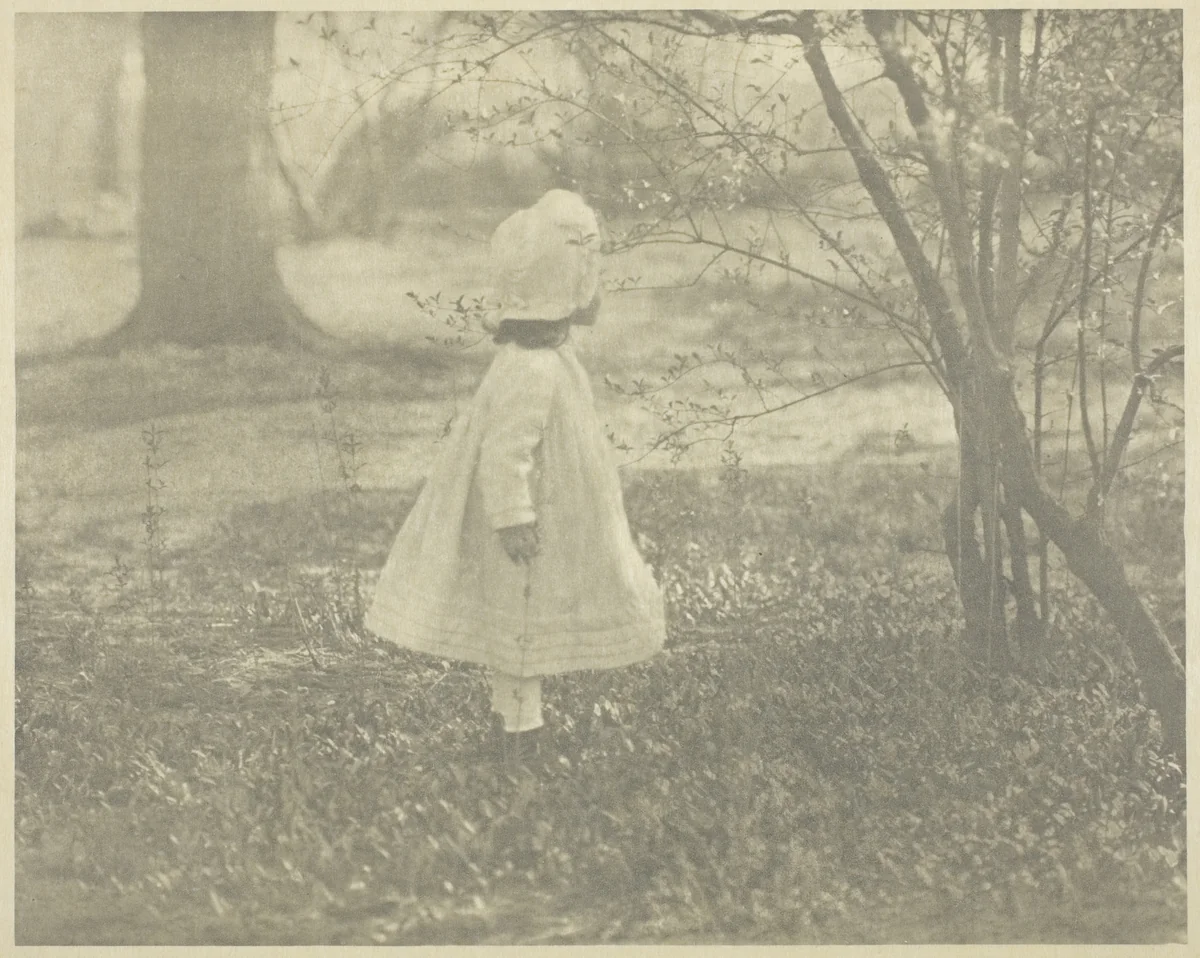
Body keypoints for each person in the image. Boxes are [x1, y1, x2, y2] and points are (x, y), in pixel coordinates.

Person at [365, 190, 666, 767]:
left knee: (527, 611)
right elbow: (504, 451)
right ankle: (520, 731)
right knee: (521, 615)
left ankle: (517, 719)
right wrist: (512, 516)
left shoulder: (547, 363)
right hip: (529, 517)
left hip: (550, 503)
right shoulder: (532, 369)